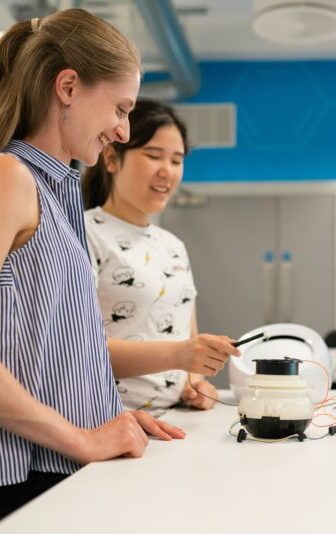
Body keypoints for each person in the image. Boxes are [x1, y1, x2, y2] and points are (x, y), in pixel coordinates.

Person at [0, 9, 237, 519]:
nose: (124, 130)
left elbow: (56, 351)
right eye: (120, 108)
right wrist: (83, 439)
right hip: (27, 475)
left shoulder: (58, 191)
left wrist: (110, 415)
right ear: (68, 87)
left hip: (65, 466)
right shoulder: (10, 177)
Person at [82, 99, 226, 412]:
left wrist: (195, 382)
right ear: (111, 158)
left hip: (175, 421)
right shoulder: (84, 233)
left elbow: (187, 336)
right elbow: (78, 350)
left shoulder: (173, 245)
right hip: (110, 419)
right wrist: (179, 355)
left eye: (176, 160)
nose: (167, 171)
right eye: (153, 155)